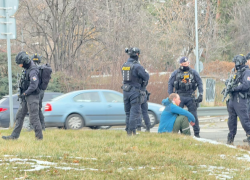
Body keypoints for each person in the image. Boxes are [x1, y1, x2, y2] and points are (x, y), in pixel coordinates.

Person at [2, 51, 43, 140]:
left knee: (34, 118)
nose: (20, 65)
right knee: (19, 116)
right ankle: (14, 136)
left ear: (25, 61)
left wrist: (25, 93)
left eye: (20, 63)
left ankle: (39, 138)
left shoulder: (33, 70)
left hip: (32, 97)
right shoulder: (27, 68)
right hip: (26, 96)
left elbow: (34, 85)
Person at [168, 57, 203, 137]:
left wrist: (201, 94)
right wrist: (171, 96)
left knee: (193, 116)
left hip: (190, 96)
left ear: (188, 63)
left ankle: (197, 134)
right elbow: (170, 84)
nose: (184, 65)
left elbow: (200, 83)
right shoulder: (175, 73)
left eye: (186, 64)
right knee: (176, 115)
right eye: (183, 64)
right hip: (179, 97)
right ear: (180, 64)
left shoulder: (193, 72)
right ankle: (175, 133)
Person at [122, 47, 149, 136]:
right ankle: (132, 132)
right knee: (135, 112)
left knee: (128, 113)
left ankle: (128, 131)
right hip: (135, 92)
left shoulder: (124, 65)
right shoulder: (137, 66)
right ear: (137, 55)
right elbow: (146, 77)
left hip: (126, 91)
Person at [226, 54, 250, 145]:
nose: (235, 64)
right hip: (232, 99)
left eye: (235, 62)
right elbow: (232, 82)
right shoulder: (236, 72)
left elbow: (246, 85)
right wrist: (228, 84)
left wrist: (234, 88)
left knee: (244, 120)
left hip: (240, 99)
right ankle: (230, 139)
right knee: (231, 121)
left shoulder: (247, 72)